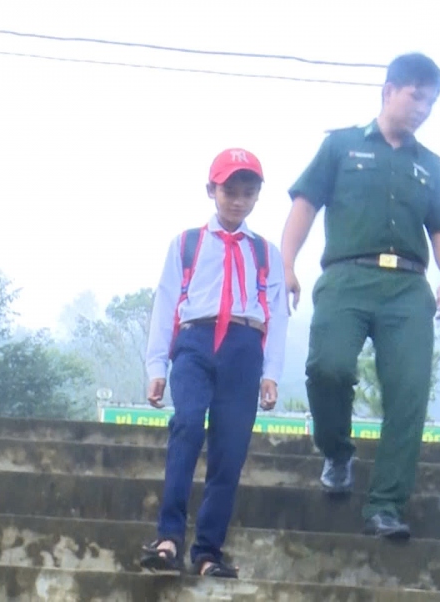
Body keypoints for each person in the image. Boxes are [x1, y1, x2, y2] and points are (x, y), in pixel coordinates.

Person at [280, 52, 440, 540]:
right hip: (346, 278)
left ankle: (386, 504)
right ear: (389, 91)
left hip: (407, 288)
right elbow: (305, 205)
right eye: (416, 97)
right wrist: (286, 264)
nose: (424, 108)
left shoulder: (429, 165)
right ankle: (338, 450)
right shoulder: (340, 146)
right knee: (328, 368)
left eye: (431, 101)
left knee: (408, 391)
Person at [139, 148, 288, 577]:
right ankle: (168, 538)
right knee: (186, 426)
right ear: (211, 190)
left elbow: (277, 317)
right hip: (195, 341)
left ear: (257, 197)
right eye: (229, 191)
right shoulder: (186, 243)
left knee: (230, 448)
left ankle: (207, 552)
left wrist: (271, 373)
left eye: (247, 192)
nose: (237, 200)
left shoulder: (265, 253)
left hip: (244, 347)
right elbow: (166, 301)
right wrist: (156, 368)